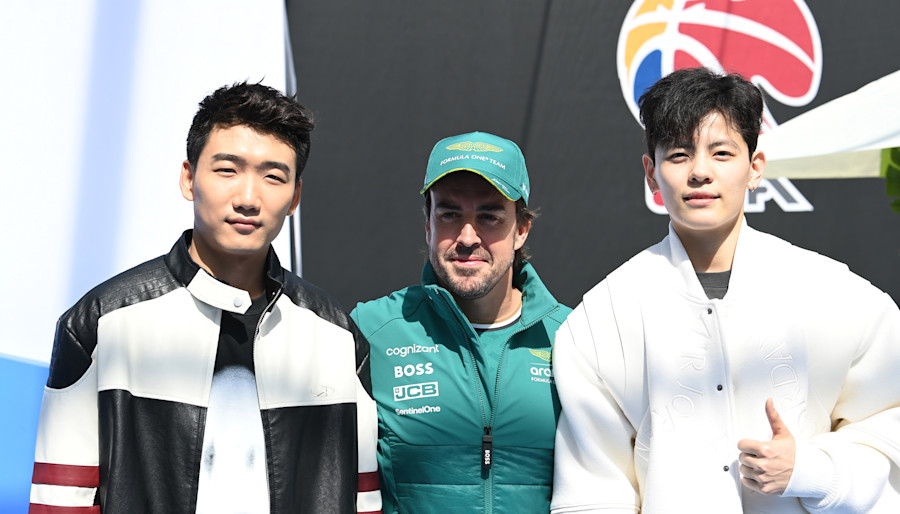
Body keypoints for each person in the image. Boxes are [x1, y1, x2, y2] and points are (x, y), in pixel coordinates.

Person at [550, 67, 900, 513]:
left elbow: (888, 424)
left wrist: (811, 471)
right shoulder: (604, 317)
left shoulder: (838, 296)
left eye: (721, 153)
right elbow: (591, 493)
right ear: (651, 173)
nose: (700, 172)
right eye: (679, 155)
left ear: (755, 168)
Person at [29, 82, 381, 513]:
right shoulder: (102, 322)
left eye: (273, 177)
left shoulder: (337, 336)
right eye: (227, 170)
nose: (248, 198)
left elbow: (363, 501)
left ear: (295, 197)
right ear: (188, 178)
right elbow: (60, 500)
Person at [351, 131, 571, 513]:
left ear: (521, 229)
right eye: (450, 215)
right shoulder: (369, 331)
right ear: (428, 224)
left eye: (489, 216)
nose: (468, 237)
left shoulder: (574, 337)